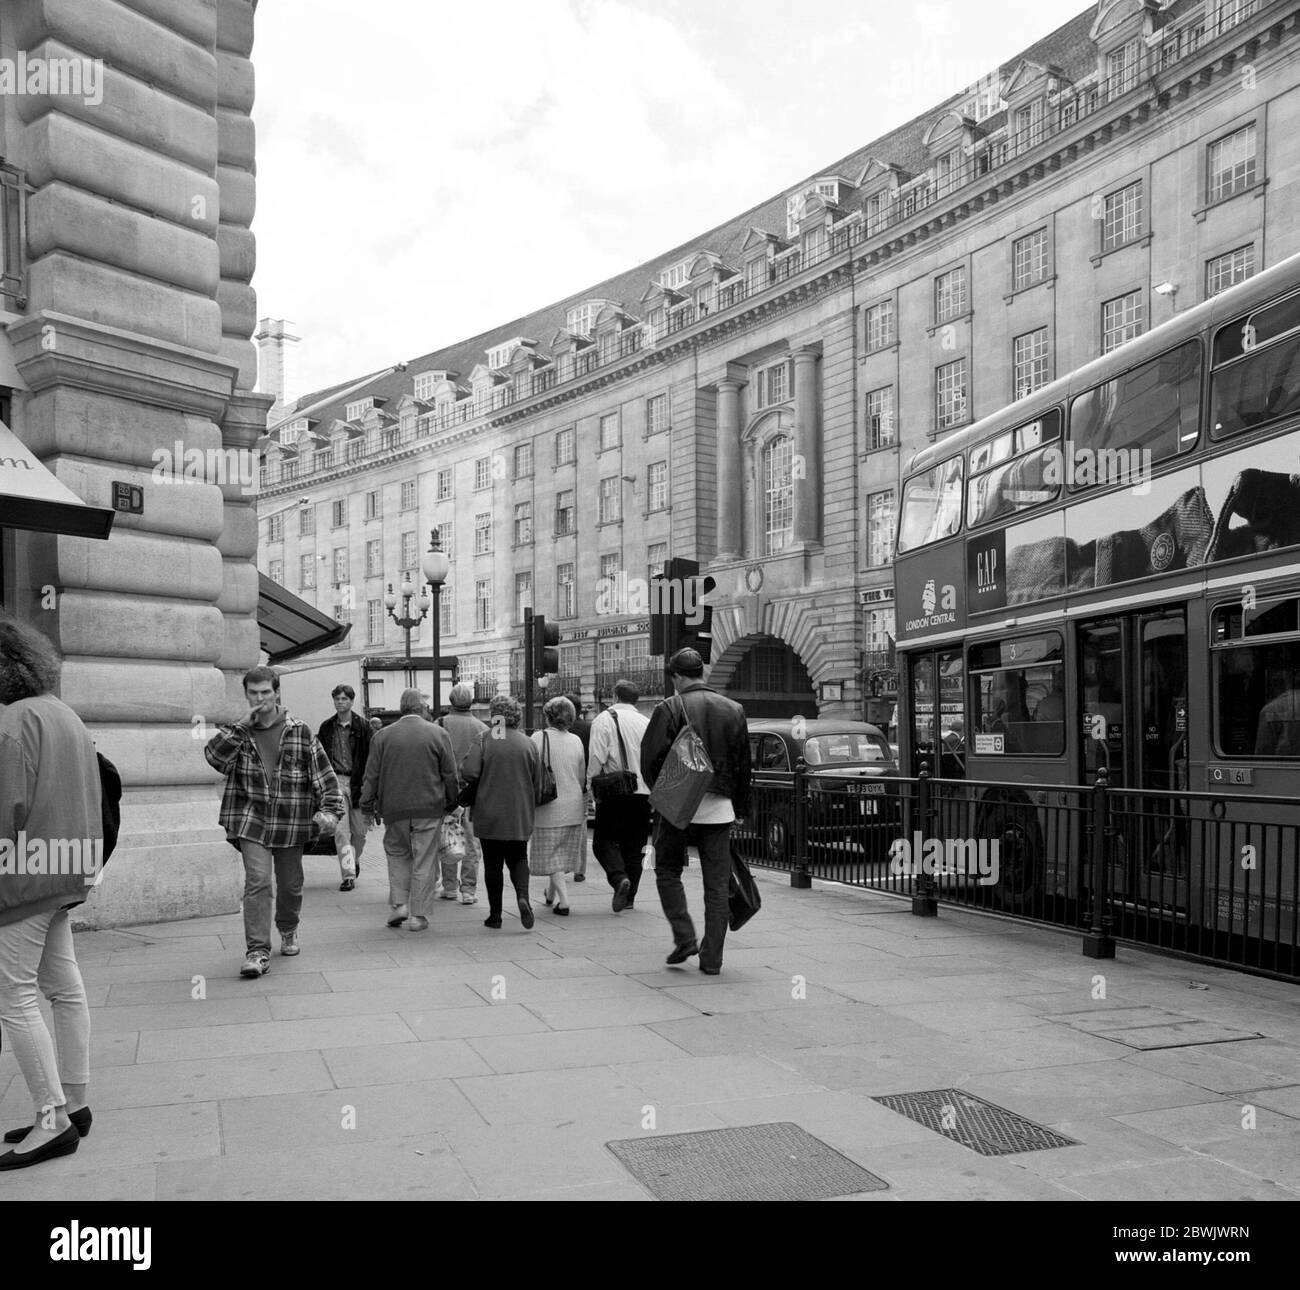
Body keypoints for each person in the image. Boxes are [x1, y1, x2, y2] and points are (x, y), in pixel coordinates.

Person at [0, 614, 100, 1170]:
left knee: (12, 998)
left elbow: (4, 812)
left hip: (23, 878)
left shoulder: (14, 721)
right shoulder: (64, 714)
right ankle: (75, 1104)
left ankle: (51, 1119)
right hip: (66, 870)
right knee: (64, 988)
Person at [205, 665, 343, 977]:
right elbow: (215, 760)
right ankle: (257, 951)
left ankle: (288, 927)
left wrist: (331, 811)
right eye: (253, 693)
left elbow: (324, 776)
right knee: (258, 881)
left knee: (291, 885)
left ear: (276, 692)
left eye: (265, 692)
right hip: (250, 819)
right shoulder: (237, 731)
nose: (260, 699)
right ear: (246, 694)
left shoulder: (300, 730)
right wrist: (241, 727)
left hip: (290, 820)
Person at [641, 648, 751, 975]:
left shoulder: (669, 707)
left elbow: (649, 760)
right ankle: (712, 959)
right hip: (719, 810)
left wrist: (667, 793)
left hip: (677, 808)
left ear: (676, 677)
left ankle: (684, 936)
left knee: (667, 870)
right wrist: (741, 807)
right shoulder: (734, 709)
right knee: (717, 885)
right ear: (701, 671)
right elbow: (744, 766)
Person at [360, 689, 459, 931]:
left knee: (397, 853)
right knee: (424, 859)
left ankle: (399, 905)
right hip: (429, 807)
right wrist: (453, 801)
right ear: (422, 708)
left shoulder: (382, 736)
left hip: (394, 808)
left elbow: (371, 775)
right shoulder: (439, 734)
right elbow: (450, 774)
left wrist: (366, 804)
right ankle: (419, 916)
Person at [459, 694, 541, 930]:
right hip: (519, 812)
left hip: (489, 810)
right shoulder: (528, 743)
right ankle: (523, 898)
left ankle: (495, 915)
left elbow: (470, 772)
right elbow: (537, 779)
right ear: (516, 716)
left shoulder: (484, 738)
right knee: (518, 857)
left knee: (493, 863)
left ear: (494, 715)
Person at [587, 680, 651, 912]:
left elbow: (597, 758)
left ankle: (618, 878)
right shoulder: (647, 722)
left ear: (614, 696)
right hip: (643, 793)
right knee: (635, 846)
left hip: (615, 791)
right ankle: (630, 897)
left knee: (602, 841)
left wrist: (590, 786)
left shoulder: (604, 719)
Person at [529, 696, 590, 915]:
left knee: (552, 858)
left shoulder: (538, 737)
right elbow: (582, 777)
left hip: (548, 807)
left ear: (548, 716)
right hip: (572, 806)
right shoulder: (575, 740)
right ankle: (550, 894)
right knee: (561, 855)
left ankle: (564, 902)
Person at [434, 682, 487, 904]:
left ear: (451, 700)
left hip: (446, 791)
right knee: (472, 842)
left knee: (448, 836)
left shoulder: (440, 724)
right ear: (471, 701)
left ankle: (449, 887)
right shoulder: (483, 728)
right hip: (472, 792)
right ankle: (468, 890)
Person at [317, 684, 373, 892]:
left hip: (358, 783)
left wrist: (372, 788)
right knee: (341, 832)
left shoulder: (364, 727)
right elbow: (319, 758)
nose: (340, 702)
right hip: (336, 782)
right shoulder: (326, 728)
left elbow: (372, 759)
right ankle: (348, 874)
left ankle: (354, 860)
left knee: (360, 832)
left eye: (344, 699)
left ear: (351, 701)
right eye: (337, 699)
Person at [564, 693, 592, 881]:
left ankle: (563, 864)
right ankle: (579, 869)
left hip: (561, 782)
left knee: (559, 825)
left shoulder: (559, 729)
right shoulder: (590, 728)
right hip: (582, 784)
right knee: (581, 826)